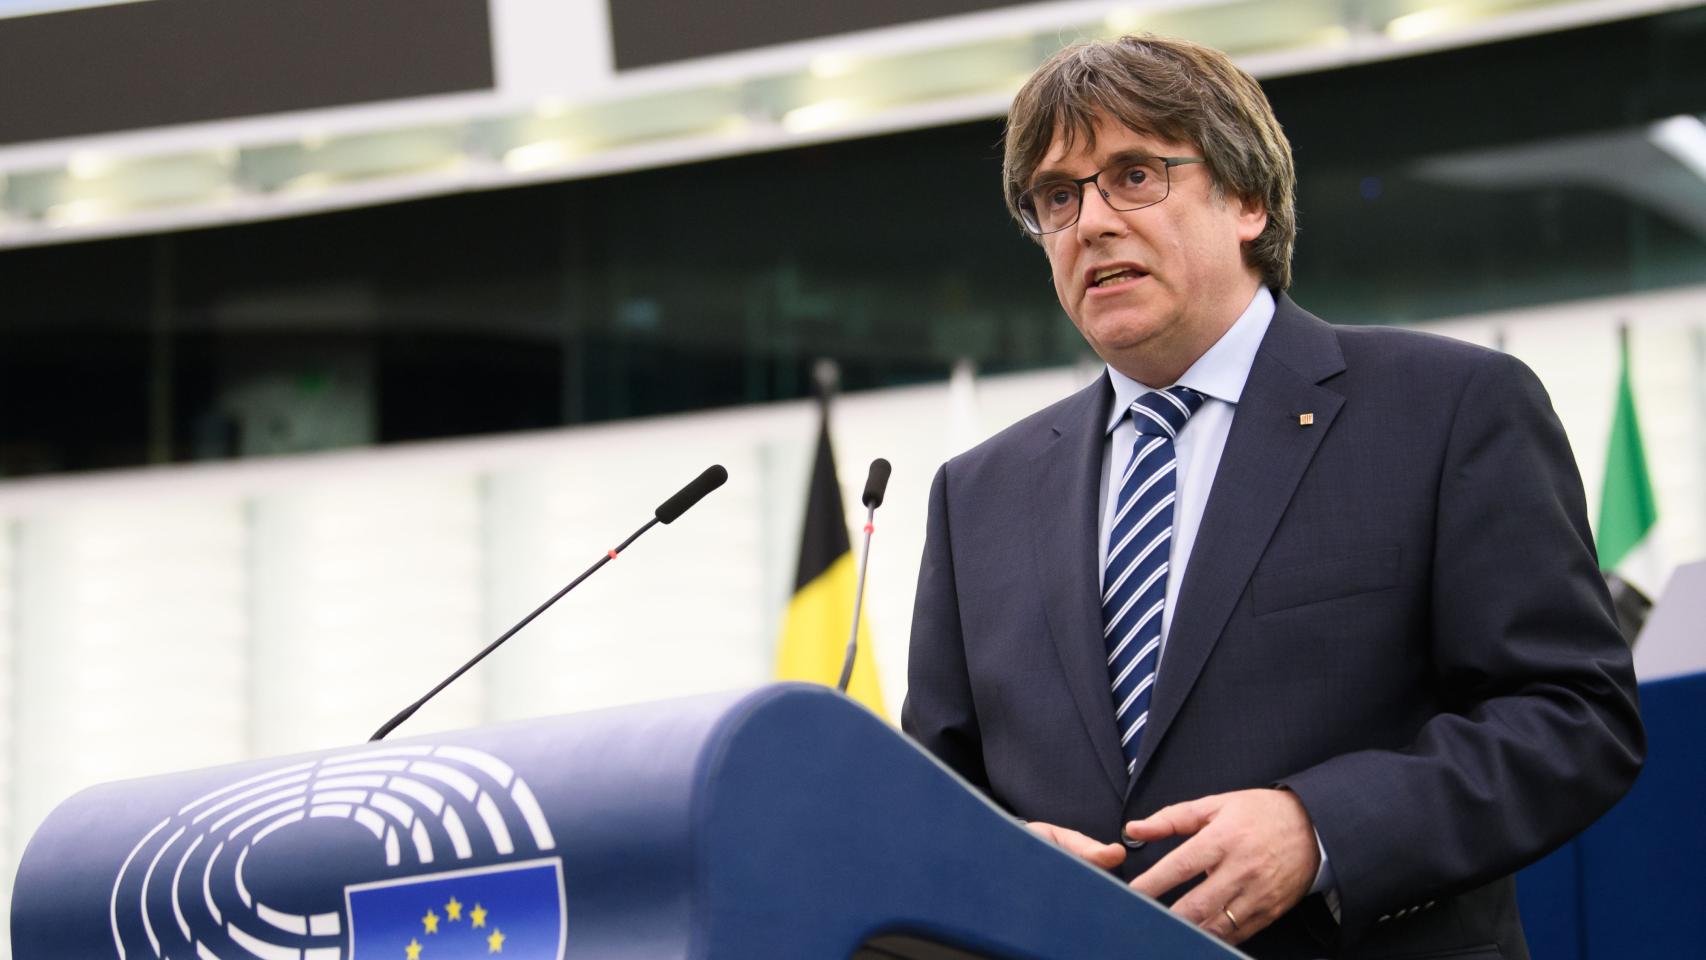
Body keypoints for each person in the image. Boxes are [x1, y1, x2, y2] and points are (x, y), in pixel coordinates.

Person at [900, 34, 1643, 960]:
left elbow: (1574, 716)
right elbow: (933, 796)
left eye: (1133, 175)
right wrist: (990, 859)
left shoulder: (1448, 408)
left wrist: (1322, 829)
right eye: (1058, 197)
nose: (1090, 222)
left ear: (1247, 199)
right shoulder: (976, 495)